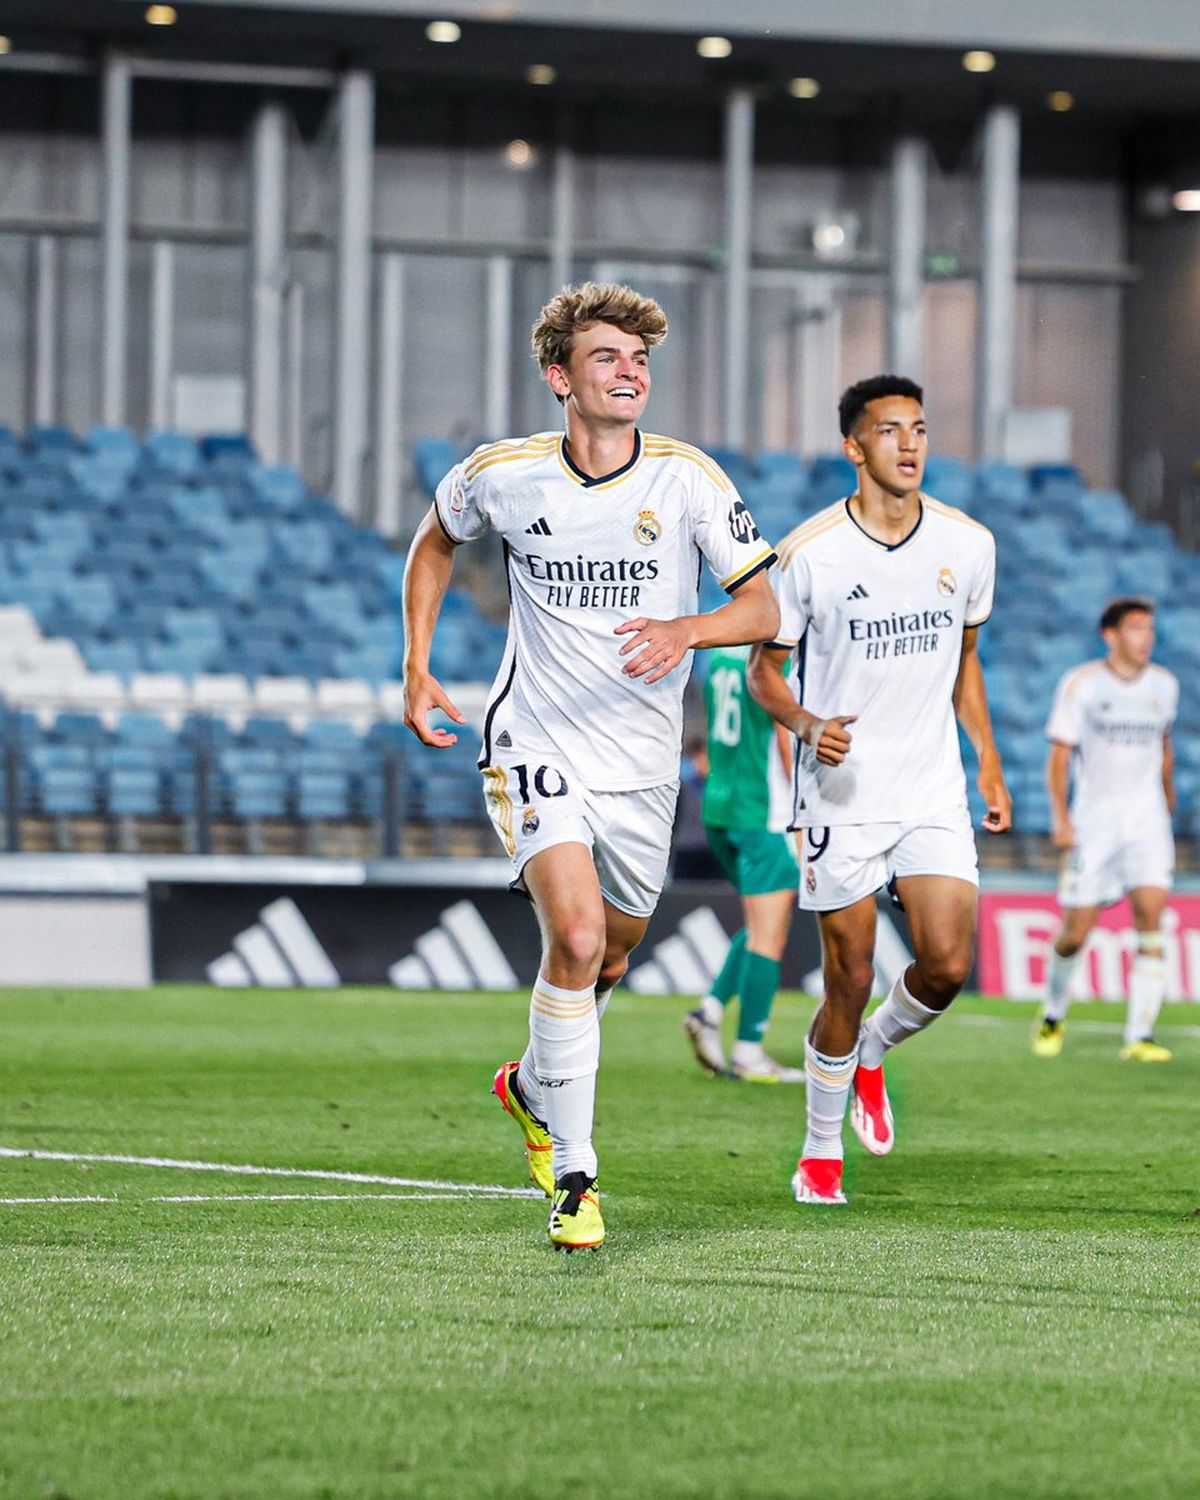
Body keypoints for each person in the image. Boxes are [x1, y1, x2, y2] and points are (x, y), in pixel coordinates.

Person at [402, 282, 779, 1249]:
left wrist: (689, 627)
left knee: (609, 954)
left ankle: (530, 1087)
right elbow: (436, 539)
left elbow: (765, 608)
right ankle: (577, 1180)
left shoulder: (688, 480)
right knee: (572, 935)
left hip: (645, 767)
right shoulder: (505, 473)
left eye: (641, 359)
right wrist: (417, 665)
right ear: (560, 377)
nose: (632, 372)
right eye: (609, 358)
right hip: (535, 738)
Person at [747, 374, 1011, 1206]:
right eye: (891, 430)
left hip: (931, 786)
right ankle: (820, 1151)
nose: (910, 444)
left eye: (921, 429)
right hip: (842, 792)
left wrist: (990, 761)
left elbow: (966, 663)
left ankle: (872, 1051)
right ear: (854, 448)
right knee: (849, 976)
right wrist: (801, 721)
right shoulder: (811, 554)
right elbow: (764, 673)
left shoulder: (968, 546)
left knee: (948, 965)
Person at [1033, 597, 1179, 1062]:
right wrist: (1062, 817)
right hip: (1096, 822)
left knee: (1151, 923)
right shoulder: (1083, 685)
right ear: (1110, 635)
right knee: (1076, 932)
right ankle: (1053, 1013)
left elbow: (1163, 745)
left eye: (1151, 629)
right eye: (1137, 629)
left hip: (1147, 820)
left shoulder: (1164, 685)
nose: (1146, 638)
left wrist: (1167, 800)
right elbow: (1059, 757)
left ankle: (1139, 1036)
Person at [683, 643, 803, 1082]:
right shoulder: (778, 655)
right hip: (764, 812)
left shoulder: (722, 654)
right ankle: (750, 1051)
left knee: (758, 927)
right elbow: (785, 732)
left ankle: (709, 1012)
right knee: (769, 936)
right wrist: (801, 812)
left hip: (721, 806)